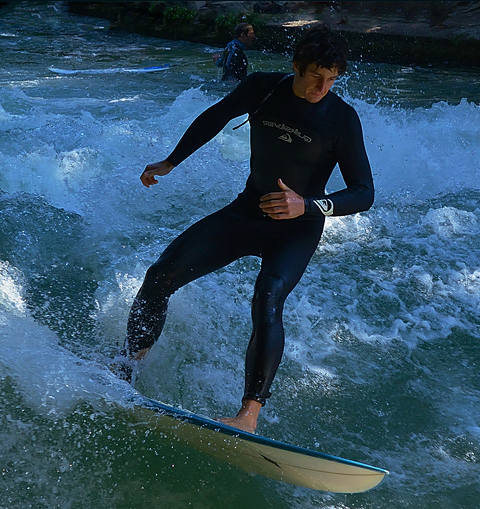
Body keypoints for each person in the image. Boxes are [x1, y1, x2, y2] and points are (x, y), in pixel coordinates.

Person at [115, 25, 374, 434]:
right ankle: (125, 368)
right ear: (296, 67)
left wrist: (307, 204)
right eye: (314, 77)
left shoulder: (340, 118)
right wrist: (170, 162)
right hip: (246, 213)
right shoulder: (264, 89)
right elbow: (215, 116)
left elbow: (363, 193)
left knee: (268, 296)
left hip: (297, 228)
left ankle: (248, 415)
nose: (321, 87)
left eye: (331, 80)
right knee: (159, 276)